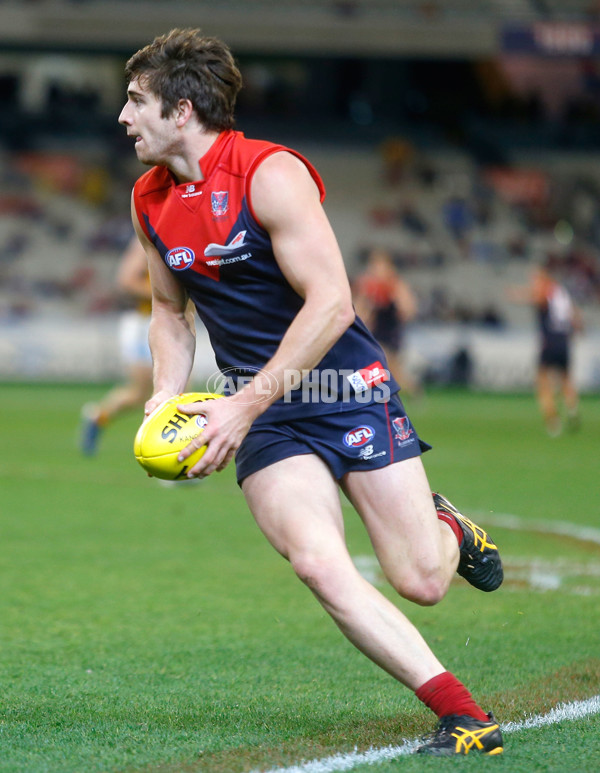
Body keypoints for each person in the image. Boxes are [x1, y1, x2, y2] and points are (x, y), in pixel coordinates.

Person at [118, 28, 504, 756]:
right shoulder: (150, 198)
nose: (123, 115)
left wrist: (244, 403)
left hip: (341, 384)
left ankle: (448, 529)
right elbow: (170, 311)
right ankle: (466, 716)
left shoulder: (270, 173)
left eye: (137, 99)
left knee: (422, 578)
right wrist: (166, 400)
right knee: (318, 561)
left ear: (183, 108)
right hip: (265, 414)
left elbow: (330, 303)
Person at [80, 235, 154, 454]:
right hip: (144, 324)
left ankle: (98, 416)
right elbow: (127, 280)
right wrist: (169, 293)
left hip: (169, 323)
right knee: (144, 392)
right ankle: (170, 456)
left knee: (164, 392)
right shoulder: (146, 237)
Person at [511, 258, 581, 437]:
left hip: (549, 340)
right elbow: (574, 316)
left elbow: (538, 297)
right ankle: (572, 409)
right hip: (564, 339)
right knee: (565, 378)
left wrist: (518, 295)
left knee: (542, 381)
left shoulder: (546, 290)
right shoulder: (562, 292)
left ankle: (553, 421)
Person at [352, 247, 420, 395]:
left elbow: (408, 309)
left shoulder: (395, 284)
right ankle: (359, 390)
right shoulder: (367, 285)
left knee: (388, 369)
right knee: (382, 367)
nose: (375, 269)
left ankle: (358, 389)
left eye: (379, 265)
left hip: (391, 331)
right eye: (373, 265)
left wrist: (398, 302)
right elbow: (359, 309)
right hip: (376, 332)